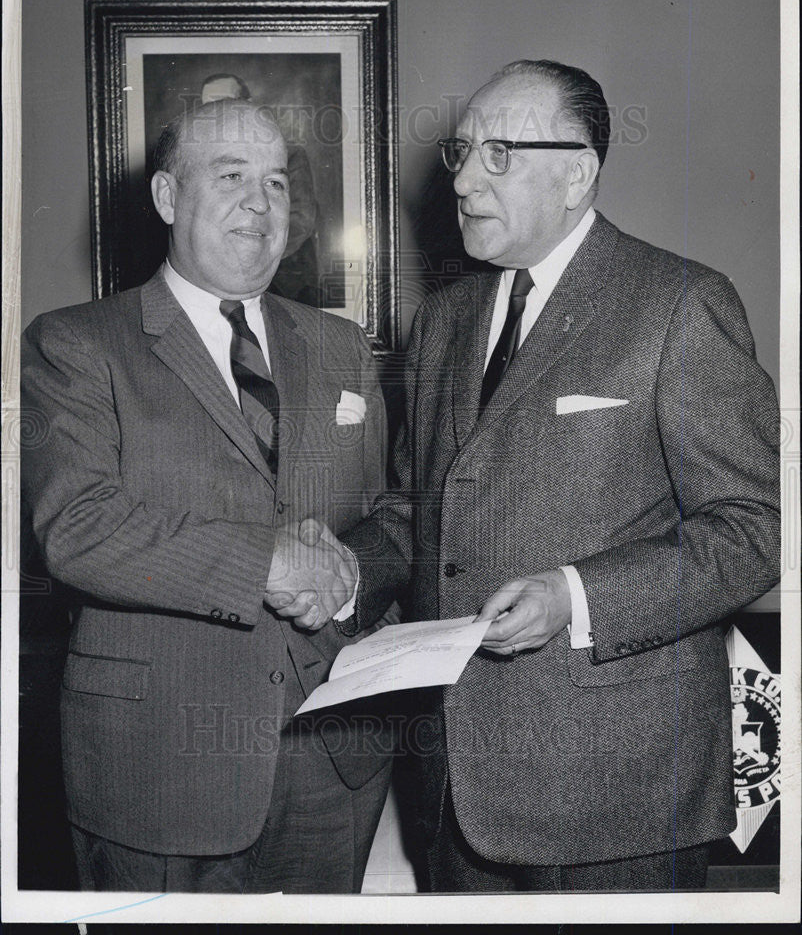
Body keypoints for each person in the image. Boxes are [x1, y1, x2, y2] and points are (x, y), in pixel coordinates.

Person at [286, 59, 781, 891]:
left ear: (578, 174)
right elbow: (419, 510)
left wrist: (577, 596)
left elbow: (754, 528)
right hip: (456, 787)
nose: (465, 179)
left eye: (501, 155)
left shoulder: (679, 304)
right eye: (462, 152)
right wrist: (341, 574)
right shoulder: (444, 319)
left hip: (617, 793)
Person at [21, 99, 393, 894]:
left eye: (277, 182)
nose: (261, 205)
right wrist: (267, 564)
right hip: (157, 766)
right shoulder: (75, 343)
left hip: (333, 763)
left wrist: (352, 574)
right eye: (230, 177)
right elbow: (77, 529)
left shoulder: (340, 345)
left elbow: (396, 513)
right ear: (166, 198)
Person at [200, 72, 322, 305]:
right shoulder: (198, 159)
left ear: (248, 104)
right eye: (207, 107)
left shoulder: (289, 154)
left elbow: (300, 220)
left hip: (282, 280)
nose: (214, 115)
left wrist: (248, 261)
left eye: (223, 104)